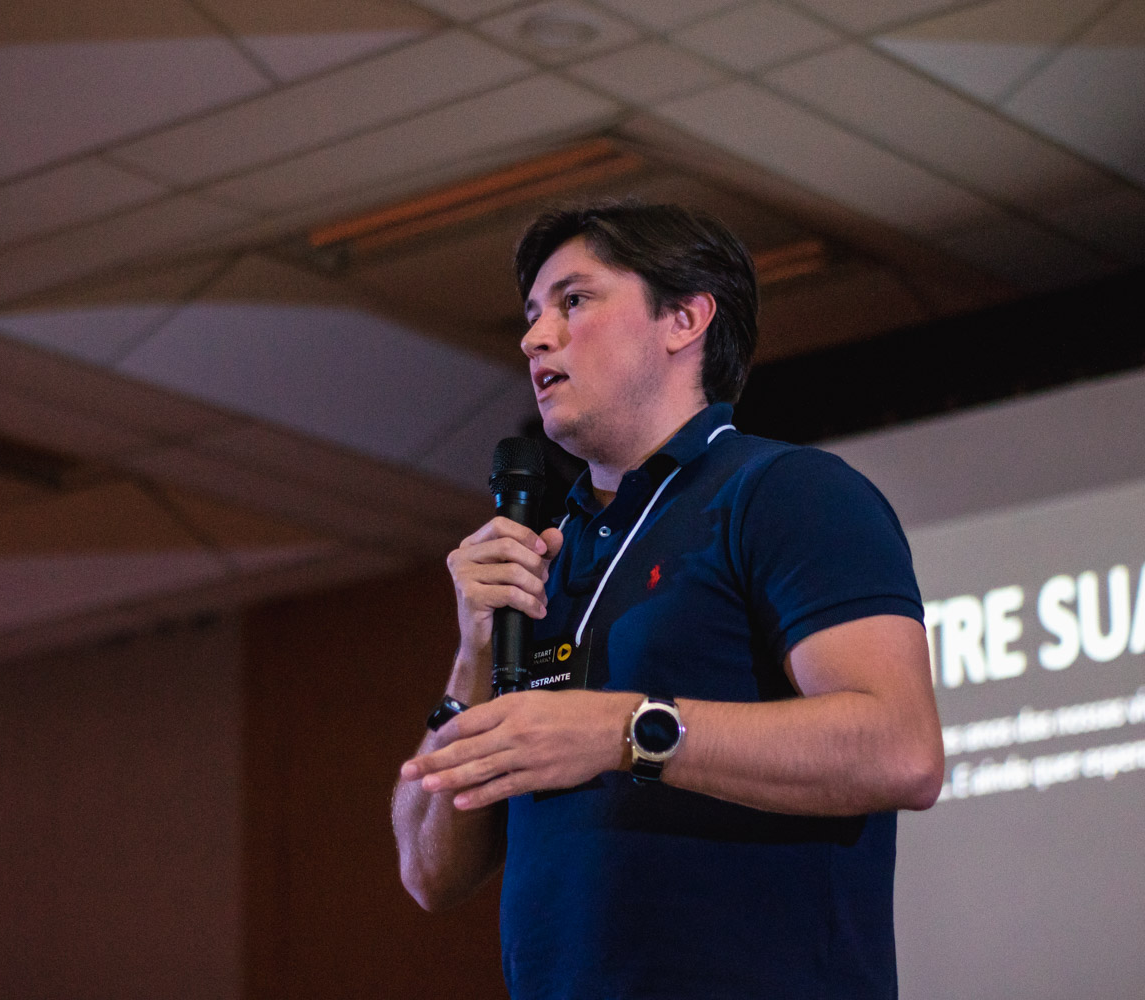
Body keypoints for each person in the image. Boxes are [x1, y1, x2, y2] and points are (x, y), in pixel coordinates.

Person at [393, 201, 943, 1000]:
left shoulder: (787, 493)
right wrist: (474, 650)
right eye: (533, 314)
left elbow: (901, 751)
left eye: (574, 301)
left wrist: (624, 731)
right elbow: (430, 874)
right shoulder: (546, 556)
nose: (535, 337)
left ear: (684, 319)